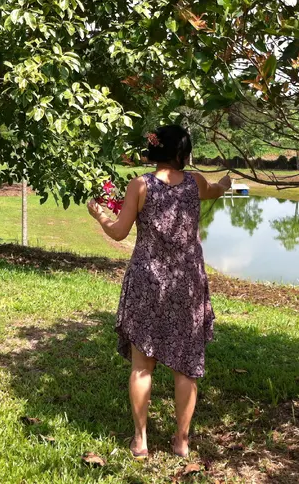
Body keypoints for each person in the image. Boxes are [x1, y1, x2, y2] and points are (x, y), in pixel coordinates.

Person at [87, 124, 232, 459]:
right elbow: (213, 190)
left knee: (142, 366)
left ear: (153, 151)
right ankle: (181, 442)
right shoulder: (195, 182)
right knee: (186, 368)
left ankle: (140, 440)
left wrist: (100, 215)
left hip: (147, 282)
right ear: (182, 153)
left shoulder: (140, 185)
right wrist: (224, 184)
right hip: (187, 283)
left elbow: (120, 232)